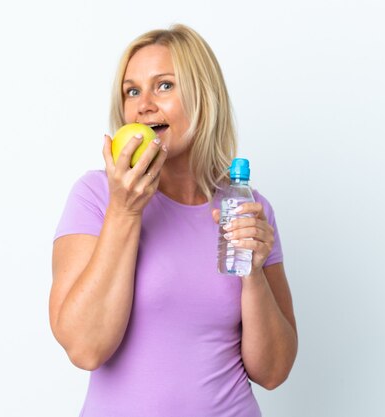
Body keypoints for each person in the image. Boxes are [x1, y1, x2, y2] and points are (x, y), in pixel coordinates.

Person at [50, 24, 297, 417]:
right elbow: (85, 348)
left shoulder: (249, 208)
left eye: (163, 86)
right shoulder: (95, 197)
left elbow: (273, 371)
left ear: (203, 97)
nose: (143, 104)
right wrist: (125, 210)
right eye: (132, 91)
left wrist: (252, 275)